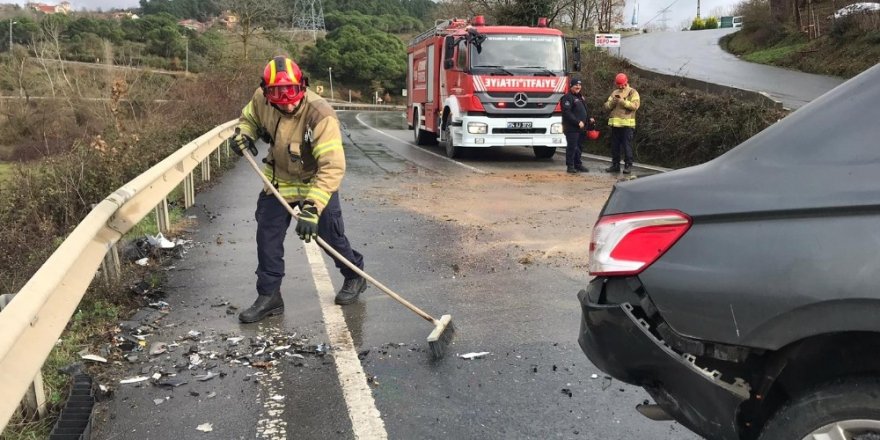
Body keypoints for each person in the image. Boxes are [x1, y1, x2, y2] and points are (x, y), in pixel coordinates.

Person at [229, 56, 367, 323]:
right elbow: (249, 119)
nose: (288, 104)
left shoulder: (321, 115)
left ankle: (354, 275)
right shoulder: (261, 98)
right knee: (267, 238)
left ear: (302, 86)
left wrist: (312, 208)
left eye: (292, 96)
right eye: (279, 98)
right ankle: (269, 296)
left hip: (315, 183)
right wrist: (243, 134)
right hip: (279, 181)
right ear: (267, 92)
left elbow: (332, 167)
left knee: (330, 236)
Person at [603, 73, 640, 175]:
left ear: (626, 82)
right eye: (618, 84)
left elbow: (635, 106)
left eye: (622, 84)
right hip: (615, 125)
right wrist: (613, 103)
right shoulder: (614, 92)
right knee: (615, 147)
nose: (620, 86)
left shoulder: (633, 92)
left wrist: (623, 102)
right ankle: (615, 165)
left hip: (627, 126)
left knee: (627, 147)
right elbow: (606, 106)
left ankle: (628, 166)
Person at [560, 78, 594, 173]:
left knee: (579, 147)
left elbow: (584, 110)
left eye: (579, 85)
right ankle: (570, 166)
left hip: (581, 128)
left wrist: (589, 119)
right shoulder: (567, 97)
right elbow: (567, 112)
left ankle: (578, 164)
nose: (578, 87)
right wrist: (577, 122)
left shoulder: (580, 97)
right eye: (576, 85)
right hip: (572, 128)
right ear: (571, 86)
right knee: (572, 147)